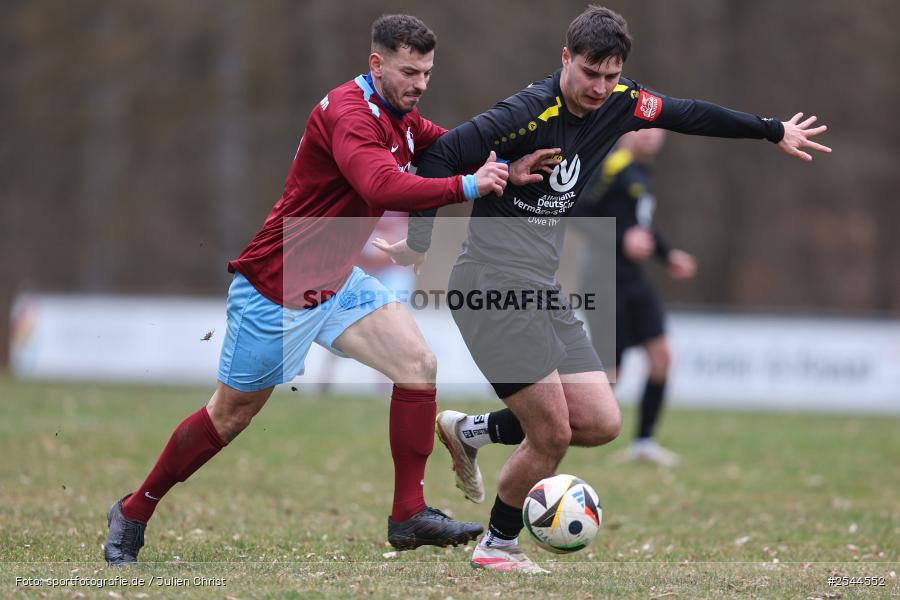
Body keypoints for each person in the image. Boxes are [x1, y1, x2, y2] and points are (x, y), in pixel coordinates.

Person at [376, 5, 830, 573]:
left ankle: (470, 430)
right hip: (492, 286)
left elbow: (687, 113)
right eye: (590, 72)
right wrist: (419, 243)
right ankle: (498, 544)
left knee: (600, 422)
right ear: (566, 58)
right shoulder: (523, 112)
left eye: (611, 75)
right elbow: (437, 156)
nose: (600, 87)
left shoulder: (623, 103)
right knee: (552, 434)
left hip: (543, 286)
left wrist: (772, 130)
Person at [102, 14, 552, 565]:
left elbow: (451, 148)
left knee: (418, 366)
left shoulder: (403, 119)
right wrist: (467, 185)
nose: (420, 84)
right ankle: (134, 509)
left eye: (428, 73)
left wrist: (509, 163)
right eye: (410, 71)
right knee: (230, 414)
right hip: (281, 279)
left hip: (338, 279)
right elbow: (379, 184)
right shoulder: (348, 113)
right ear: (376, 64)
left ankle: (407, 515)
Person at [573, 128, 696, 465]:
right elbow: (576, 211)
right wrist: (620, 238)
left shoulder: (642, 171)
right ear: (626, 129)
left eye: (657, 130)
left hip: (634, 279)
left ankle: (644, 443)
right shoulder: (611, 165)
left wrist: (668, 255)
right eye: (643, 128)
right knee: (612, 370)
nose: (651, 136)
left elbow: (641, 226)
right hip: (603, 277)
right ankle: (564, 431)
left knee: (662, 357)